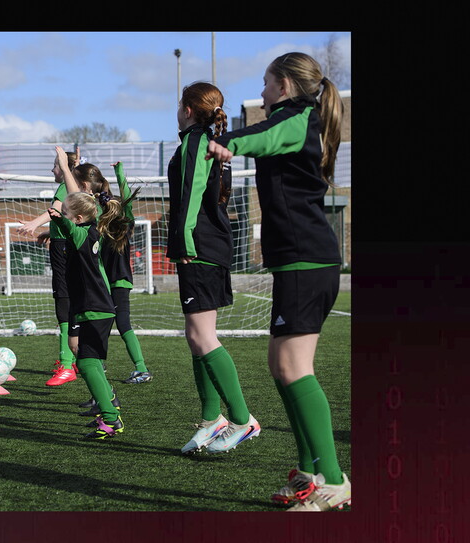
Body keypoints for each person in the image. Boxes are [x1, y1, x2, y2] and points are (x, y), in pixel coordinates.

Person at [205, 52, 349, 512]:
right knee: (279, 365)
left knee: (294, 368)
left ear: (284, 86)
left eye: (267, 84)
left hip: (309, 262)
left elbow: (264, 136)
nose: (263, 93)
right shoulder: (299, 118)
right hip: (298, 263)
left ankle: (332, 480)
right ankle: (309, 471)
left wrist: (228, 142)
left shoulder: (297, 117)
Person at [166, 82, 259, 456]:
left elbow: (190, 195)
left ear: (188, 109)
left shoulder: (195, 141)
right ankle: (211, 418)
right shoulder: (210, 141)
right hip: (209, 244)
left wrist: (183, 241)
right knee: (196, 335)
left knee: (203, 336)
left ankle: (241, 419)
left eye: (178, 104)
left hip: (199, 246)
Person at [46, 168, 134, 439]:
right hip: (90, 308)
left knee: (86, 363)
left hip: (96, 308)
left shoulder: (85, 233)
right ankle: (108, 409)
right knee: (87, 362)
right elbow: (70, 228)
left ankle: (110, 417)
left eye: (68, 211)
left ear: (80, 218)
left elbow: (70, 227)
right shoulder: (85, 233)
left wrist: (60, 219)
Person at [15, 150, 80, 387]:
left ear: (65, 168)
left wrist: (34, 224)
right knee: (65, 303)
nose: (52, 170)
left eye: (55, 166)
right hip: (62, 246)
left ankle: (67, 364)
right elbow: (64, 219)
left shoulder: (65, 187)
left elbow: (56, 211)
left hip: (64, 251)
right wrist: (48, 232)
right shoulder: (66, 187)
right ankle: (69, 360)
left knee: (64, 304)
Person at [106, 161, 152, 385]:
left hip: (117, 284)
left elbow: (126, 200)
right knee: (108, 325)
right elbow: (126, 198)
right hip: (111, 284)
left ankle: (142, 368)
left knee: (122, 324)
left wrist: (119, 172)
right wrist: (119, 172)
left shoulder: (120, 228)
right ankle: (97, 363)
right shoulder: (102, 229)